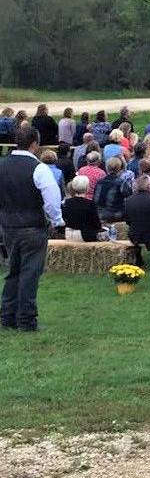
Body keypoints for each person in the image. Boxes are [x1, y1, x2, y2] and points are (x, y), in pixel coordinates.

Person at [0, 127, 63, 332]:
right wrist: (57, 220)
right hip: (32, 226)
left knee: (13, 271)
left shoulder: (2, 165)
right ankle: (26, 319)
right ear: (34, 144)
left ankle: (8, 316)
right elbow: (52, 199)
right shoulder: (38, 168)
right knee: (30, 272)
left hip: (8, 225)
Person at [62, 176, 105, 242]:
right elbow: (97, 224)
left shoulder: (66, 202)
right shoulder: (90, 204)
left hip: (68, 234)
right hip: (85, 235)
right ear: (87, 188)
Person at [93, 157, 130, 222]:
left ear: (107, 168)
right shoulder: (121, 183)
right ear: (119, 169)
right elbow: (130, 197)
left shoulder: (99, 182)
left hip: (99, 214)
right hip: (116, 215)